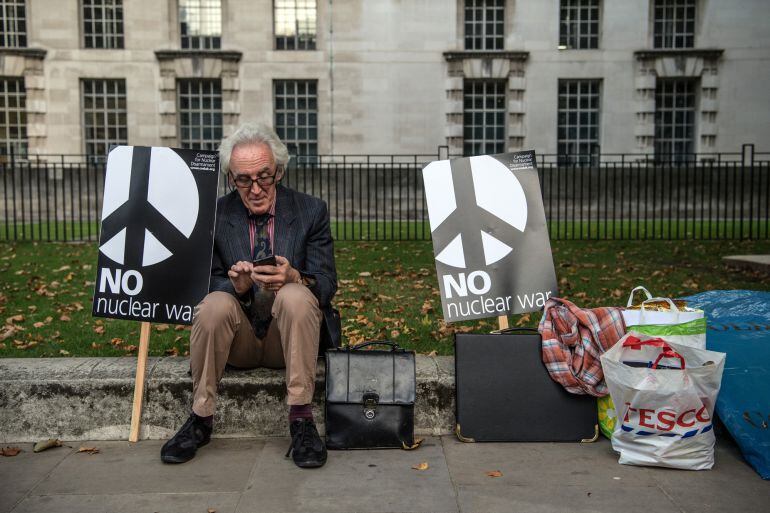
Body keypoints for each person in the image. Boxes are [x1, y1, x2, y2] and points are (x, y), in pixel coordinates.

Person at [161, 123, 339, 468]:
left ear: (280, 172)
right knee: (214, 305)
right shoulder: (215, 214)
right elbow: (201, 285)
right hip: (237, 340)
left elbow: (328, 284)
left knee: (295, 295)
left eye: (264, 176)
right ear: (231, 178)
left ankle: (301, 418)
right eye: (244, 179)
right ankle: (200, 418)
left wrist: (295, 276)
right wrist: (237, 289)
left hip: (288, 341)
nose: (255, 188)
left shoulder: (310, 211)